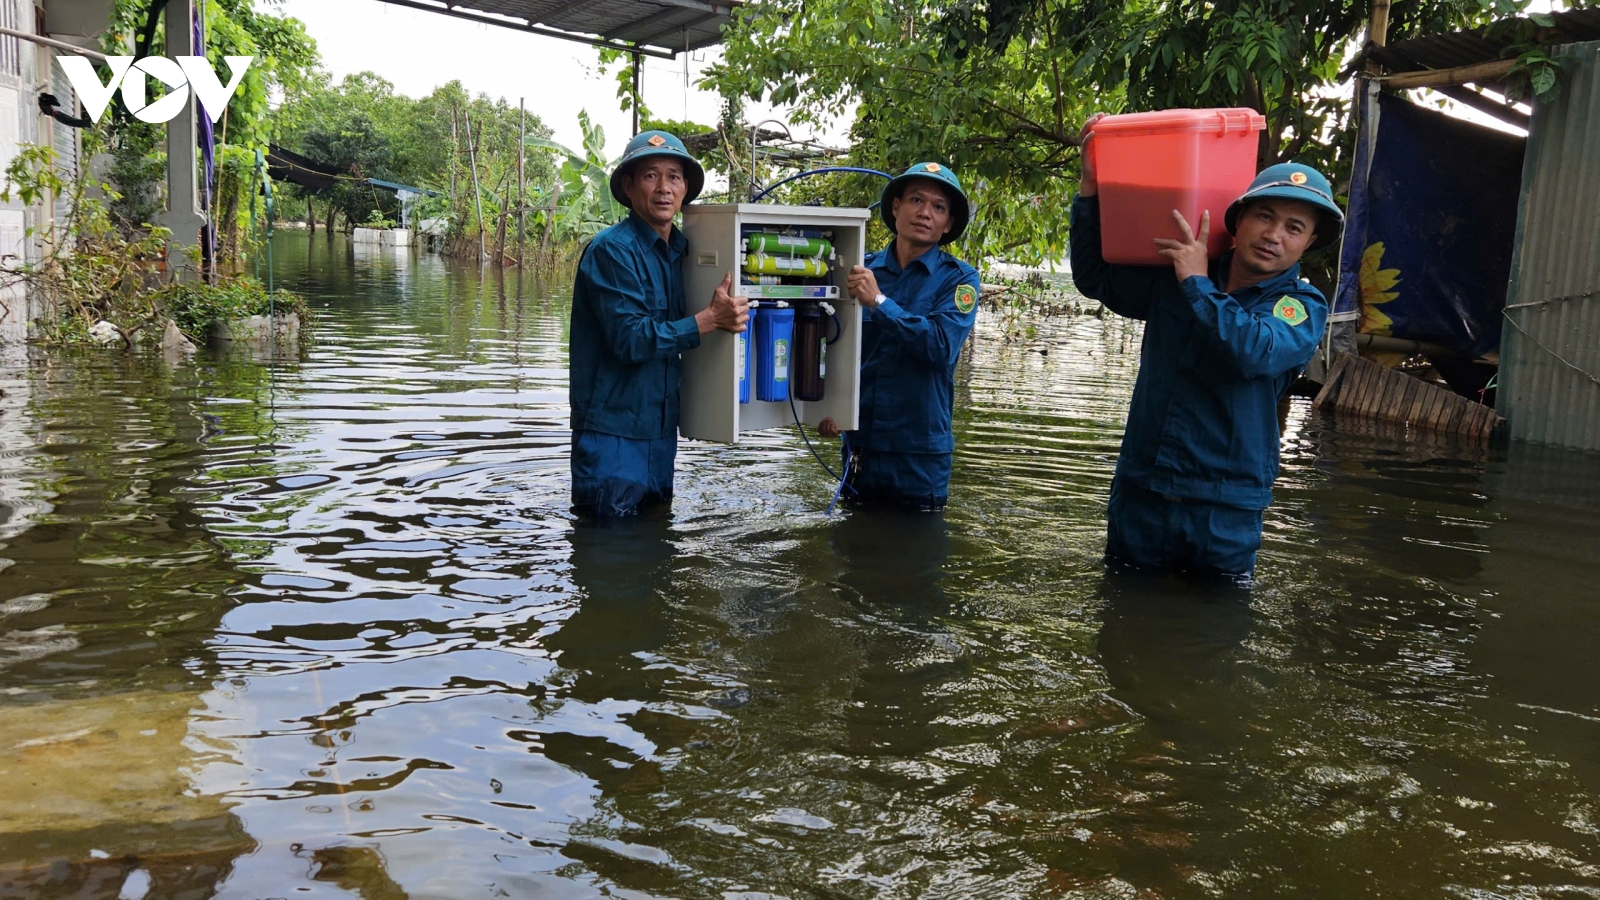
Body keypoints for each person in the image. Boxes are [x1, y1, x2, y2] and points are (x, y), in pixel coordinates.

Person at [1070, 117, 1344, 581]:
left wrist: (1197, 284)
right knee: (1122, 627)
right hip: (1143, 493)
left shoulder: (1300, 305)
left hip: (1225, 510)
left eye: (1294, 227)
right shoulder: (1176, 273)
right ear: (1238, 220)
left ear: (1309, 242)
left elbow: (1255, 351)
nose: (1274, 235)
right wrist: (1091, 187)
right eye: (1264, 216)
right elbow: (1095, 276)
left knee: (1215, 637)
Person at [568, 130, 748, 517]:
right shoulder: (611, 251)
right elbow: (630, 339)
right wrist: (708, 321)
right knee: (607, 557)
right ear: (629, 187)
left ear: (685, 189)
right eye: (651, 175)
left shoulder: (682, 252)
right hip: (611, 438)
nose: (664, 188)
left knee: (653, 550)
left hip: (661, 435)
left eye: (674, 176)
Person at [818, 162, 981, 512]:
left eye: (938, 207)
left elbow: (939, 347)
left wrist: (879, 302)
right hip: (860, 448)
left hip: (919, 457)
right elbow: (832, 344)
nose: (925, 213)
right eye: (915, 200)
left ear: (949, 223)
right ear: (895, 207)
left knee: (917, 559)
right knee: (852, 555)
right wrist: (827, 405)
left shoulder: (960, 280)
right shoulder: (859, 269)